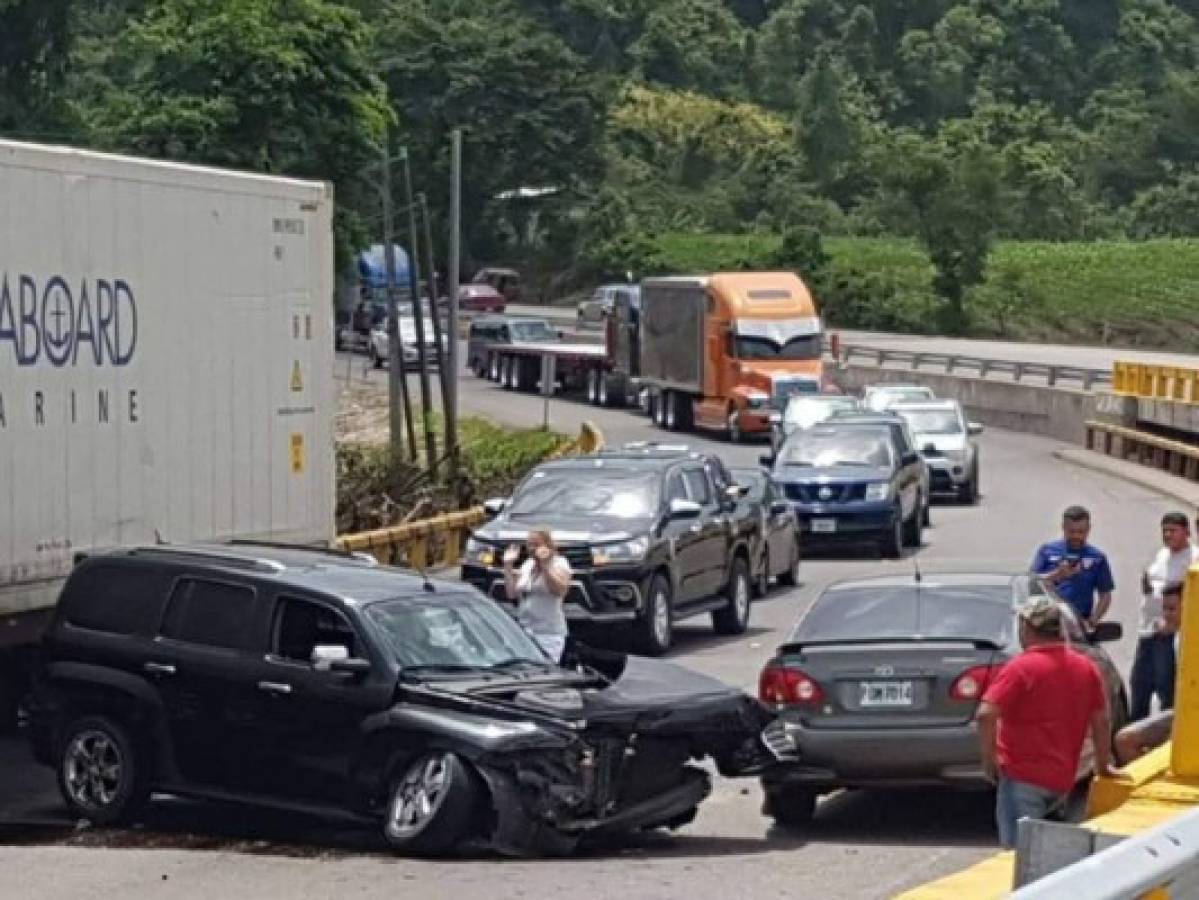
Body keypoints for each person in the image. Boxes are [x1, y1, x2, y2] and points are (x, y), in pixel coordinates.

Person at [977, 596, 1119, 849]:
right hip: (1064, 778)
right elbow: (1101, 720)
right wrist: (1102, 764)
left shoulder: (1020, 667)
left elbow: (986, 714)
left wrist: (990, 759)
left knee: (1017, 855)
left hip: (1022, 777)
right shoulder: (1085, 667)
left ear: (1028, 628)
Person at [1131, 513, 1198, 721]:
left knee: (1165, 688)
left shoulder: (1194, 558)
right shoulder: (1162, 555)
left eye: (1173, 530)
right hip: (1148, 631)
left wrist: (1173, 624)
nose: (1168, 535)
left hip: (1168, 634)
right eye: (1165, 530)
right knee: (1139, 685)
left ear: (1186, 532)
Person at [1117, 583, 1186, 764]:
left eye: (1172, 609)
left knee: (1127, 740)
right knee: (1126, 739)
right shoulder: (1175, 635)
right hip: (1179, 711)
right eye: (1164, 609)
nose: (1166, 615)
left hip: (1187, 715)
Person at [1031, 506, 1115, 629]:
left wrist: (1093, 620)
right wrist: (1057, 575)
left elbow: (1105, 594)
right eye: (1071, 532)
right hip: (1046, 624)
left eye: (1081, 532)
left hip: (1078, 626)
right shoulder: (1047, 551)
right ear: (1063, 528)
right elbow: (1031, 583)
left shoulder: (1097, 558)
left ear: (1089, 529)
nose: (1076, 536)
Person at [502, 529, 571, 662]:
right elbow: (512, 593)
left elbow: (560, 590)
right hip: (525, 630)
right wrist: (508, 566)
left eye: (536, 544)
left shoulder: (560, 563)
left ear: (548, 545)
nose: (532, 548)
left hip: (548, 632)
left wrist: (545, 566)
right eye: (529, 545)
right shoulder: (528, 565)